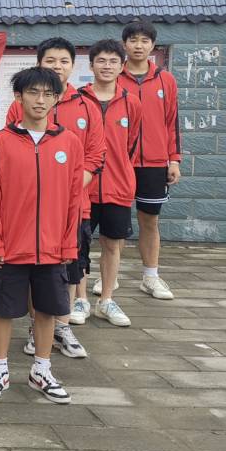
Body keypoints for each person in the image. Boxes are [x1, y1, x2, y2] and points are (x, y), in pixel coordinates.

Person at [0, 67, 84, 405]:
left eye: (48, 94)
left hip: (53, 247)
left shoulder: (69, 142)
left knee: (47, 309)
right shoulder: (1, 141)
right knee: (4, 309)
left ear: (57, 99)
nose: (40, 100)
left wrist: (69, 243)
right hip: (12, 246)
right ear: (18, 97)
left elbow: (74, 198)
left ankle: (42, 369)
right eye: (33, 93)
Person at [8, 38, 102, 359]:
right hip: (29, 210)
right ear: (39, 63)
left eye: (64, 61)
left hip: (73, 208)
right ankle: (37, 328)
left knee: (68, 270)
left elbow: (94, 156)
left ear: (73, 65)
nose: (57, 66)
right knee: (35, 270)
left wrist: (67, 190)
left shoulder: (87, 105)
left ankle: (62, 327)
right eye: (50, 60)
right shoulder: (20, 104)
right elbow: (13, 150)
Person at [81, 39, 143, 328]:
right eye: (101, 61)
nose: (107, 66)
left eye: (113, 61)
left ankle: (106, 299)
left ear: (122, 66)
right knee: (78, 246)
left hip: (118, 187)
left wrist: (119, 171)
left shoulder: (132, 102)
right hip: (83, 188)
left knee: (112, 245)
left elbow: (131, 146)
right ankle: (80, 299)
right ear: (91, 64)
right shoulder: (78, 100)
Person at [118, 20, 181, 301]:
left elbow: (172, 123)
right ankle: (110, 277)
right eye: (133, 40)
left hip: (155, 163)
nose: (138, 45)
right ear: (124, 44)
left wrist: (174, 160)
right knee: (116, 223)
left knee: (150, 221)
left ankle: (150, 277)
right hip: (120, 163)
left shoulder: (165, 80)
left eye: (144, 40)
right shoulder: (115, 77)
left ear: (153, 45)